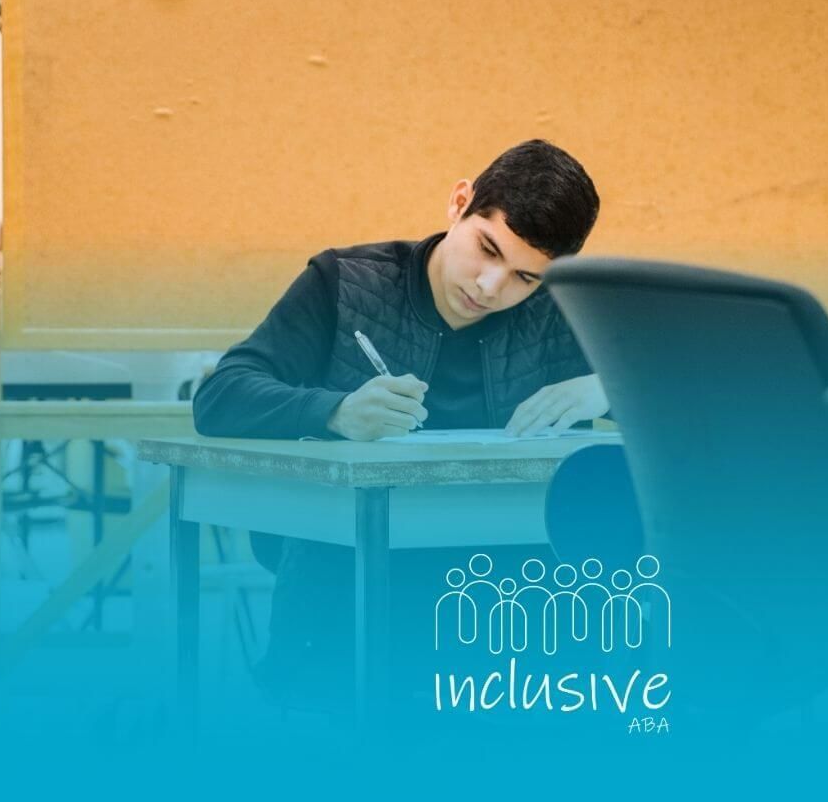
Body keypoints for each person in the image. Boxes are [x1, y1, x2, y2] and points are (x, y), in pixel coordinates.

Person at [192, 139, 608, 711]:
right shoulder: (344, 283)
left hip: (504, 618)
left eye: (525, 278)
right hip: (344, 601)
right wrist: (334, 412)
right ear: (460, 201)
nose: (491, 288)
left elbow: (699, 400)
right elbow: (220, 395)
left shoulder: (560, 312)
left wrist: (608, 386)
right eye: (487, 249)